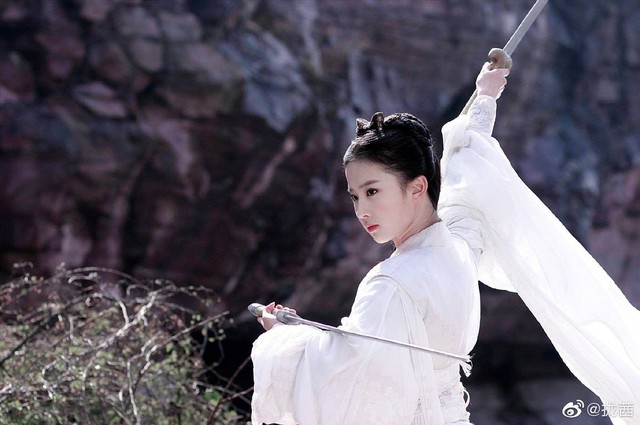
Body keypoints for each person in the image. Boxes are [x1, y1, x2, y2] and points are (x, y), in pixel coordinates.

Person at [251, 61, 640, 425]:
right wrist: (485, 97)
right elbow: (466, 170)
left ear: (417, 186)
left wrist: (283, 336)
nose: (362, 210)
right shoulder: (458, 247)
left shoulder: (392, 283)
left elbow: (343, 373)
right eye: (354, 196)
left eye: (372, 191)